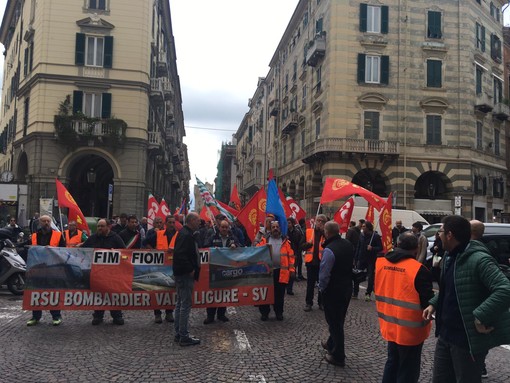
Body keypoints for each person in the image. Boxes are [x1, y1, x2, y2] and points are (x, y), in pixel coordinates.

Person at [423, 215, 510, 383]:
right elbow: (451, 287)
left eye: (440, 232)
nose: (437, 237)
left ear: (449, 235)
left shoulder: (479, 259)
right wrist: (434, 304)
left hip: (467, 339)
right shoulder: (449, 256)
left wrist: (480, 316)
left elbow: (505, 289)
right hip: (445, 334)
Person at [375, 232, 434, 382]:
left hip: (389, 323)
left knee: (392, 361)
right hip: (411, 329)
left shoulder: (381, 263)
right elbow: (428, 301)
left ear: (397, 244)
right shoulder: (418, 269)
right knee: (408, 369)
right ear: (416, 249)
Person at [319, 221, 354, 367]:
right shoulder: (348, 244)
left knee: (335, 323)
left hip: (333, 290)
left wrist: (321, 290)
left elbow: (324, 275)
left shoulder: (329, 250)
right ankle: (331, 343)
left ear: (327, 233)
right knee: (339, 318)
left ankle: (338, 356)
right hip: (346, 287)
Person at [82, 219, 126, 325]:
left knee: (113, 295)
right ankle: (98, 315)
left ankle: (117, 315)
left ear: (108, 227)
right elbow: (83, 250)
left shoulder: (115, 238)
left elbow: (125, 253)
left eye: (102, 226)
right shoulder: (93, 238)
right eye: (98, 226)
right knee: (98, 295)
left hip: (112, 273)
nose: (99, 228)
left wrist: (116, 253)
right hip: (97, 273)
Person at [27, 215, 66, 326]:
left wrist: (53, 250)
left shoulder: (58, 235)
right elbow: (29, 248)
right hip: (37, 267)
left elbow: (63, 250)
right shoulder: (34, 236)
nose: (46, 223)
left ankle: (56, 316)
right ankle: (35, 317)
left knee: (53, 293)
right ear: (40, 222)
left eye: (48, 221)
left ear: (51, 222)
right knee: (36, 293)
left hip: (52, 268)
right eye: (44, 221)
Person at [256, 220, 295, 321]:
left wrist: (292, 270)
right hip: (267, 271)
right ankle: (264, 313)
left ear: (280, 228)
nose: (275, 229)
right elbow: (256, 250)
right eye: (273, 227)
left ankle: (279, 312)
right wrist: (263, 246)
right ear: (270, 229)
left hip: (281, 272)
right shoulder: (265, 239)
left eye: (277, 227)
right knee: (265, 293)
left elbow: (290, 257)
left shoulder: (285, 241)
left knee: (279, 294)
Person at [203, 220, 240, 324]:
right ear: (219, 228)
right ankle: (210, 315)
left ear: (228, 228)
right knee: (212, 293)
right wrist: (212, 249)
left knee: (224, 293)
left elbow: (240, 246)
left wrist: (235, 246)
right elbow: (205, 246)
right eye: (222, 227)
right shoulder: (213, 238)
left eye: (226, 227)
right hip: (214, 268)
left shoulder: (233, 238)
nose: (224, 229)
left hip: (227, 268)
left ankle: (221, 314)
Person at [173, 212, 201, 346]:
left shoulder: (185, 233)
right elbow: (180, 254)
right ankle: (183, 336)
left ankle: (178, 333)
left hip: (181, 273)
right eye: (198, 220)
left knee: (180, 303)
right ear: (191, 221)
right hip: (184, 274)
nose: (199, 223)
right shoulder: (186, 235)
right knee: (185, 304)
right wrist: (190, 269)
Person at [144, 215, 177, 323]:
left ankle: (169, 313)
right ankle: (157, 314)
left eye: (173, 223)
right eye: (170, 223)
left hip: (172, 266)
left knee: (170, 290)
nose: (172, 225)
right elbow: (145, 242)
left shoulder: (178, 234)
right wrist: (152, 250)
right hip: (157, 266)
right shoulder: (158, 234)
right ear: (165, 224)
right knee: (156, 290)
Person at [302, 214, 326, 312]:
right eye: (318, 220)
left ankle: (321, 303)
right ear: (315, 221)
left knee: (322, 284)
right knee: (310, 284)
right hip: (311, 262)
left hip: (322, 263)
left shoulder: (326, 233)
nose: (319, 223)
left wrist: (324, 233)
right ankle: (308, 303)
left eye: (322, 221)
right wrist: (307, 244)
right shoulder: (308, 232)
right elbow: (301, 246)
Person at [353, 221, 382, 301]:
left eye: (364, 226)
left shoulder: (375, 236)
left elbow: (380, 247)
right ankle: (355, 293)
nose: (362, 228)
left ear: (368, 228)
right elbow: (358, 247)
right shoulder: (361, 235)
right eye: (362, 226)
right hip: (361, 258)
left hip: (371, 259)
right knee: (356, 275)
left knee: (370, 277)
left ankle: (368, 293)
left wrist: (372, 248)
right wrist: (355, 258)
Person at [286, 217, 304, 291]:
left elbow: (300, 243)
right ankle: (286, 285)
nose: (288, 224)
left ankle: (290, 287)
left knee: (292, 270)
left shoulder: (297, 232)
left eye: (289, 223)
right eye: (287, 223)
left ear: (292, 223)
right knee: (286, 270)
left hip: (295, 253)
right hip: (286, 253)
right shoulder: (285, 232)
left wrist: (297, 252)